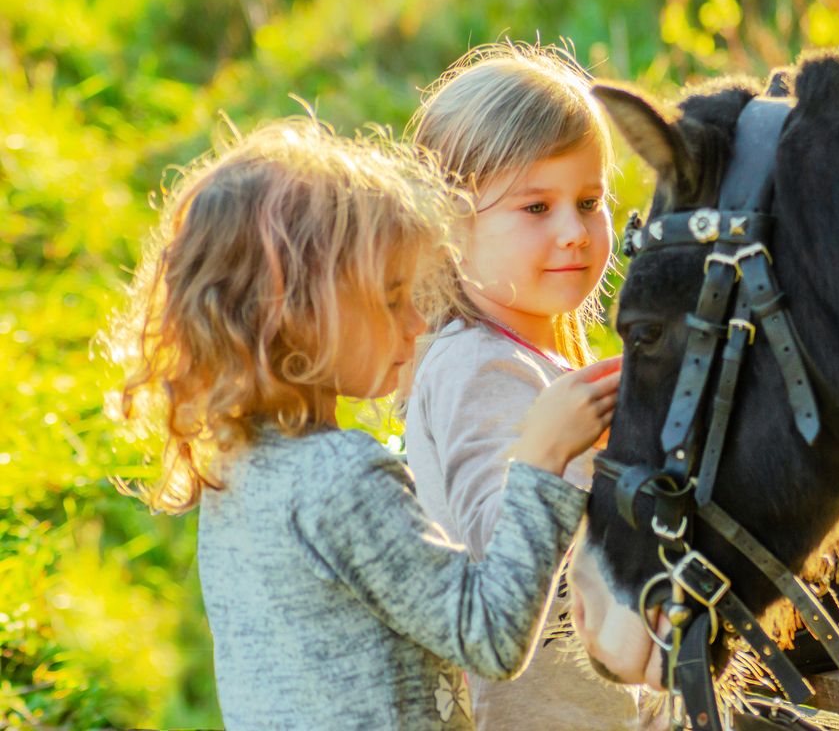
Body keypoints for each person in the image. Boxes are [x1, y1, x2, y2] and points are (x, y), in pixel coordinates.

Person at [103, 117, 622, 730]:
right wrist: (543, 459)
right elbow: (491, 637)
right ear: (300, 311)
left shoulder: (242, 468)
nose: (417, 322)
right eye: (392, 297)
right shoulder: (343, 478)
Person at [403, 43, 646, 730]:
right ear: (451, 227)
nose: (575, 232)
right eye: (536, 208)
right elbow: (493, 549)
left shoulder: (531, 351)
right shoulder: (475, 367)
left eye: (589, 201)